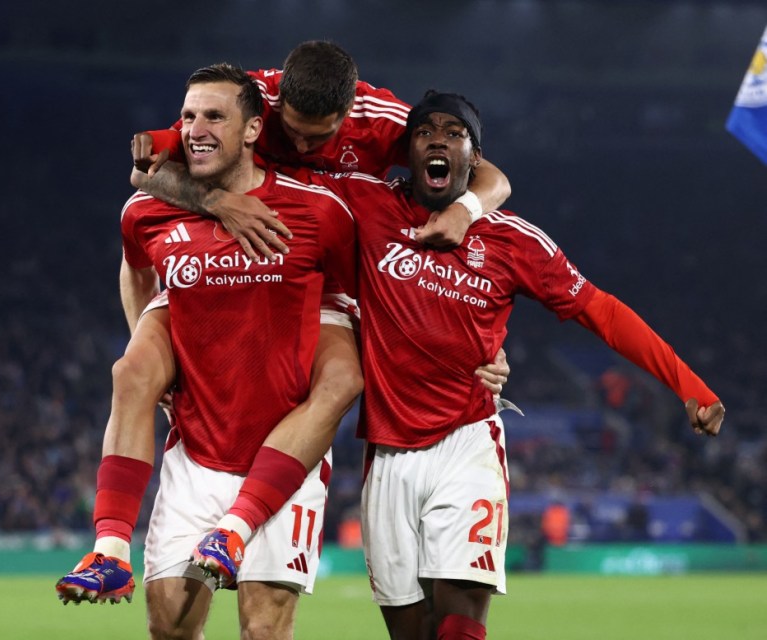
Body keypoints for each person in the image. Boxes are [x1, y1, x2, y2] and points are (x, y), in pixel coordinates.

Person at [56, 40, 511, 602]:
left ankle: (237, 528)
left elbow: (484, 174)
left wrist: (471, 334)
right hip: (216, 260)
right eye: (287, 130)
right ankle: (109, 551)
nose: (298, 146)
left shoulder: (382, 121)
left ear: (349, 113)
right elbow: (147, 166)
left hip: (308, 265)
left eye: (317, 137)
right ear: (265, 114)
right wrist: (219, 203)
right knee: (131, 372)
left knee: (344, 378)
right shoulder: (240, 99)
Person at [304, 90, 724, 640]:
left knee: (459, 625)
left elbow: (600, 310)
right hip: (387, 454)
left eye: (454, 133)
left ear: (474, 158)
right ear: (407, 150)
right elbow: (290, 165)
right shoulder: (369, 204)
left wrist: (686, 383)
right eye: (425, 130)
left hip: (467, 442)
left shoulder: (511, 240)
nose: (438, 138)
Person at [63, 62, 361, 638]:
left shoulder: (319, 211)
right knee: (170, 627)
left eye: (215, 116)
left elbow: (366, 293)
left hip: (284, 456)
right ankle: (108, 548)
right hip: (196, 451)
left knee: (263, 630)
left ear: (253, 130)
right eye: (188, 116)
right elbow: (136, 269)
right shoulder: (147, 211)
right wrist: (154, 359)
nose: (197, 127)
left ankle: (239, 525)